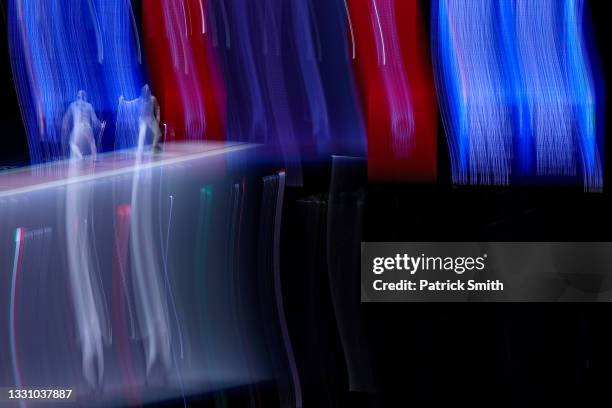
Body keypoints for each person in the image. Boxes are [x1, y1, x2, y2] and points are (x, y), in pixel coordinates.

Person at [62, 90, 105, 160]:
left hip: (78, 128)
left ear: (77, 96)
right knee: (92, 142)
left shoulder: (72, 105)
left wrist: (64, 125)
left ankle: (80, 156)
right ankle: (95, 158)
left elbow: (66, 118)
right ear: (85, 97)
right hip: (87, 126)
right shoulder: (89, 105)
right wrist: (101, 125)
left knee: (72, 142)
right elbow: (94, 120)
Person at [138, 84, 162, 153]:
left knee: (158, 133)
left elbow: (157, 108)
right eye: (145, 90)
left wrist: (158, 116)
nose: (147, 91)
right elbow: (133, 104)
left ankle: (154, 146)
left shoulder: (152, 99)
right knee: (142, 134)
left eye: (148, 90)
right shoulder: (141, 99)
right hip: (143, 119)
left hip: (150, 118)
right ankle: (141, 149)